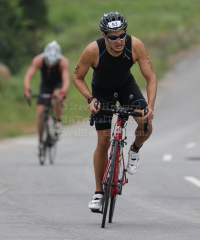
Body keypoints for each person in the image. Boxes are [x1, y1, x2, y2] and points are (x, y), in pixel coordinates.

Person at [73, 11, 157, 211]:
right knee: (103, 141)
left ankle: (135, 149)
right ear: (104, 36)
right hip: (101, 92)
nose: (119, 40)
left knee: (146, 123)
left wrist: (150, 106)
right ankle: (98, 193)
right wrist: (90, 98)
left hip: (127, 86)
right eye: (113, 37)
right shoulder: (93, 50)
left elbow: (151, 77)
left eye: (122, 35)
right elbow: (78, 77)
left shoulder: (135, 45)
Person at [24, 41, 70, 152]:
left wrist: (63, 91)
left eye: (53, 63)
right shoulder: (38, 60)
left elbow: (66, 79)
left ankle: (58, 121)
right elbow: (28, 76)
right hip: (45, 86)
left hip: (57, 85)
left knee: (57, 95)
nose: (50, 65)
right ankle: (40, 140)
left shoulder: (63, 62)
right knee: (40, 112)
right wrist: (28, 90)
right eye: (48, 62)